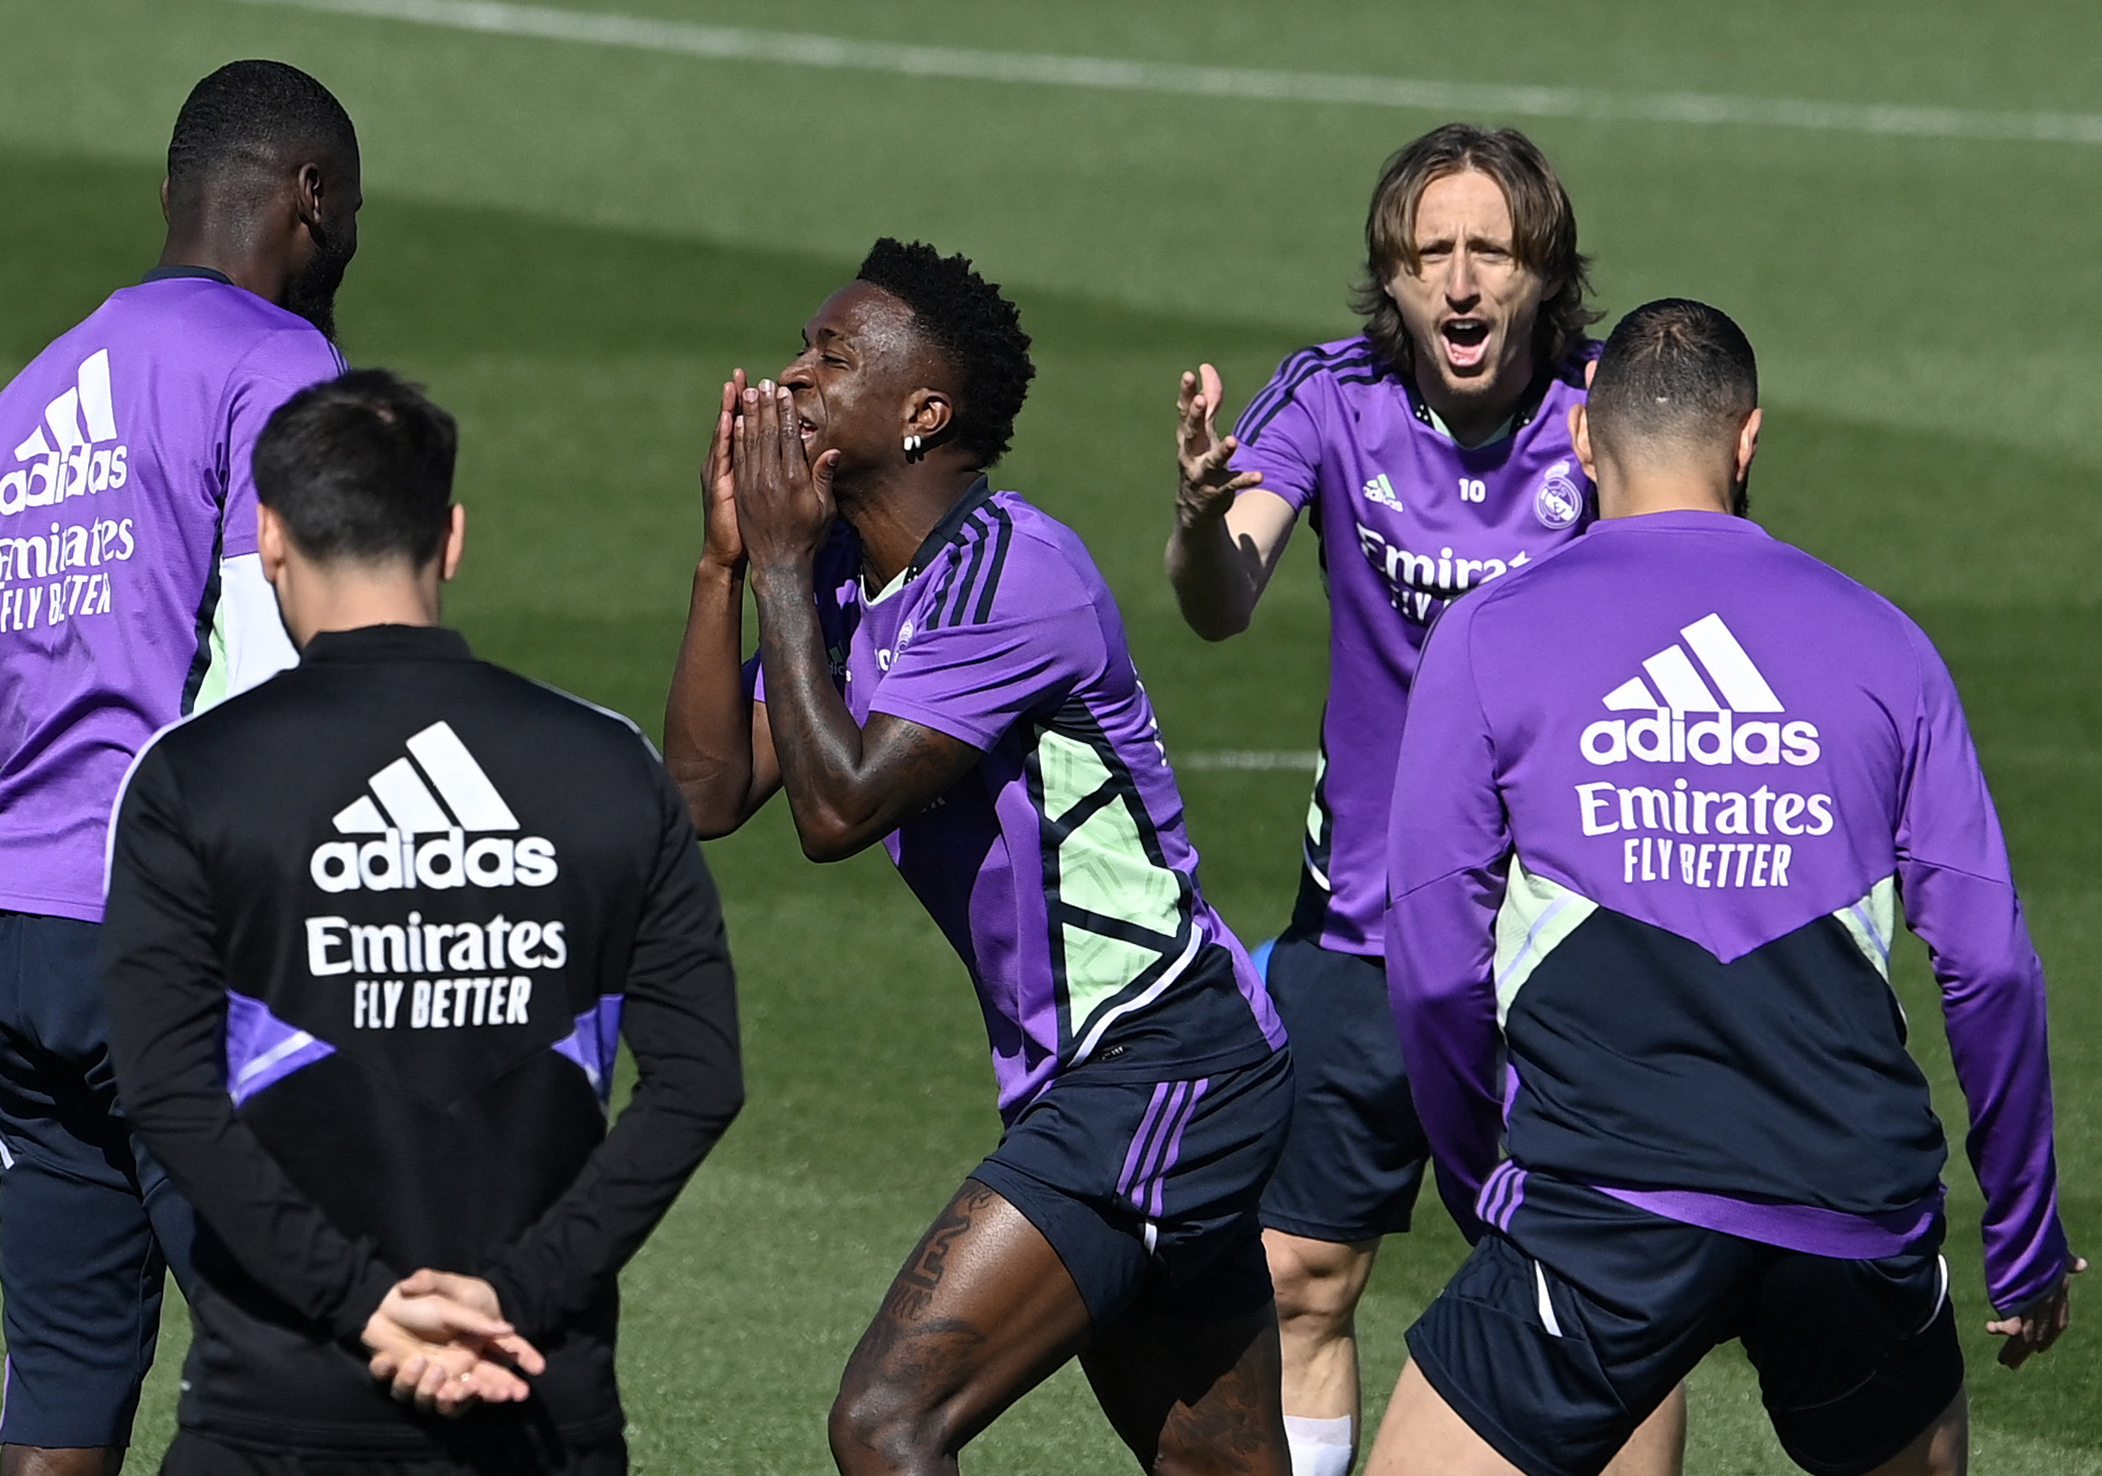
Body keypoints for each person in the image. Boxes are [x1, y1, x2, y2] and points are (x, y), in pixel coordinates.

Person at [1370, 299, 2080, 1476]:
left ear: (1583, 444)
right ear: (1749, 443)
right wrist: (2024, 1235)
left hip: (1603, 1206)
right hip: (1855, 1211)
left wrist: (1479, 1177)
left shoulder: (1490, 637)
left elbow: (1436, 960)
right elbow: (1992, 966)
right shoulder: (1888, 642)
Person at [665, 239, 1295, 1475]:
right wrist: (727, 563)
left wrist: (786, 571)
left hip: (1162, 1066)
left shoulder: (1014, 581)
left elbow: (835, 811)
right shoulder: (853, 577)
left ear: (923, 415)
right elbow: (706, 791)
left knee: (887, 1424)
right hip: (1118, 1080)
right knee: (1215, 1465)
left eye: (828, 359)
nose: (788, 381)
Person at [101, 370, 745, 1474]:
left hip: (278, 1407)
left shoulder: (193, 779)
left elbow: (165, 1088)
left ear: (268, 539)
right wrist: (515, 1295)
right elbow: (698, 1081)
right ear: (450, 537)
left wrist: (365, 1305)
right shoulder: (608, 768)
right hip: (537, 1394)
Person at [1163, 122, 1684, 1476]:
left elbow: (1694, 605)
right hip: (1364, 927)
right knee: (1300, 1278)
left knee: (1608, 1297)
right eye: (1426, 253)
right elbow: (1222, 600)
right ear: (1388, 281)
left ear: (1539, 272)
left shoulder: (1603, 412)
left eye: (1488, 252)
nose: (1457, 282)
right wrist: (1194, 522)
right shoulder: (1331, 399)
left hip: (1569, 933)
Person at [0, 59, 361, 1476]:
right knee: (303, 1381)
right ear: (309, 193)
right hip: (179, 953)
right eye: (351, 209)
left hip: (19, 940)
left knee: (59, 1393)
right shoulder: (278, 365)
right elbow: (277, 675)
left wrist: (23, 915)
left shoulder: (23, 401)